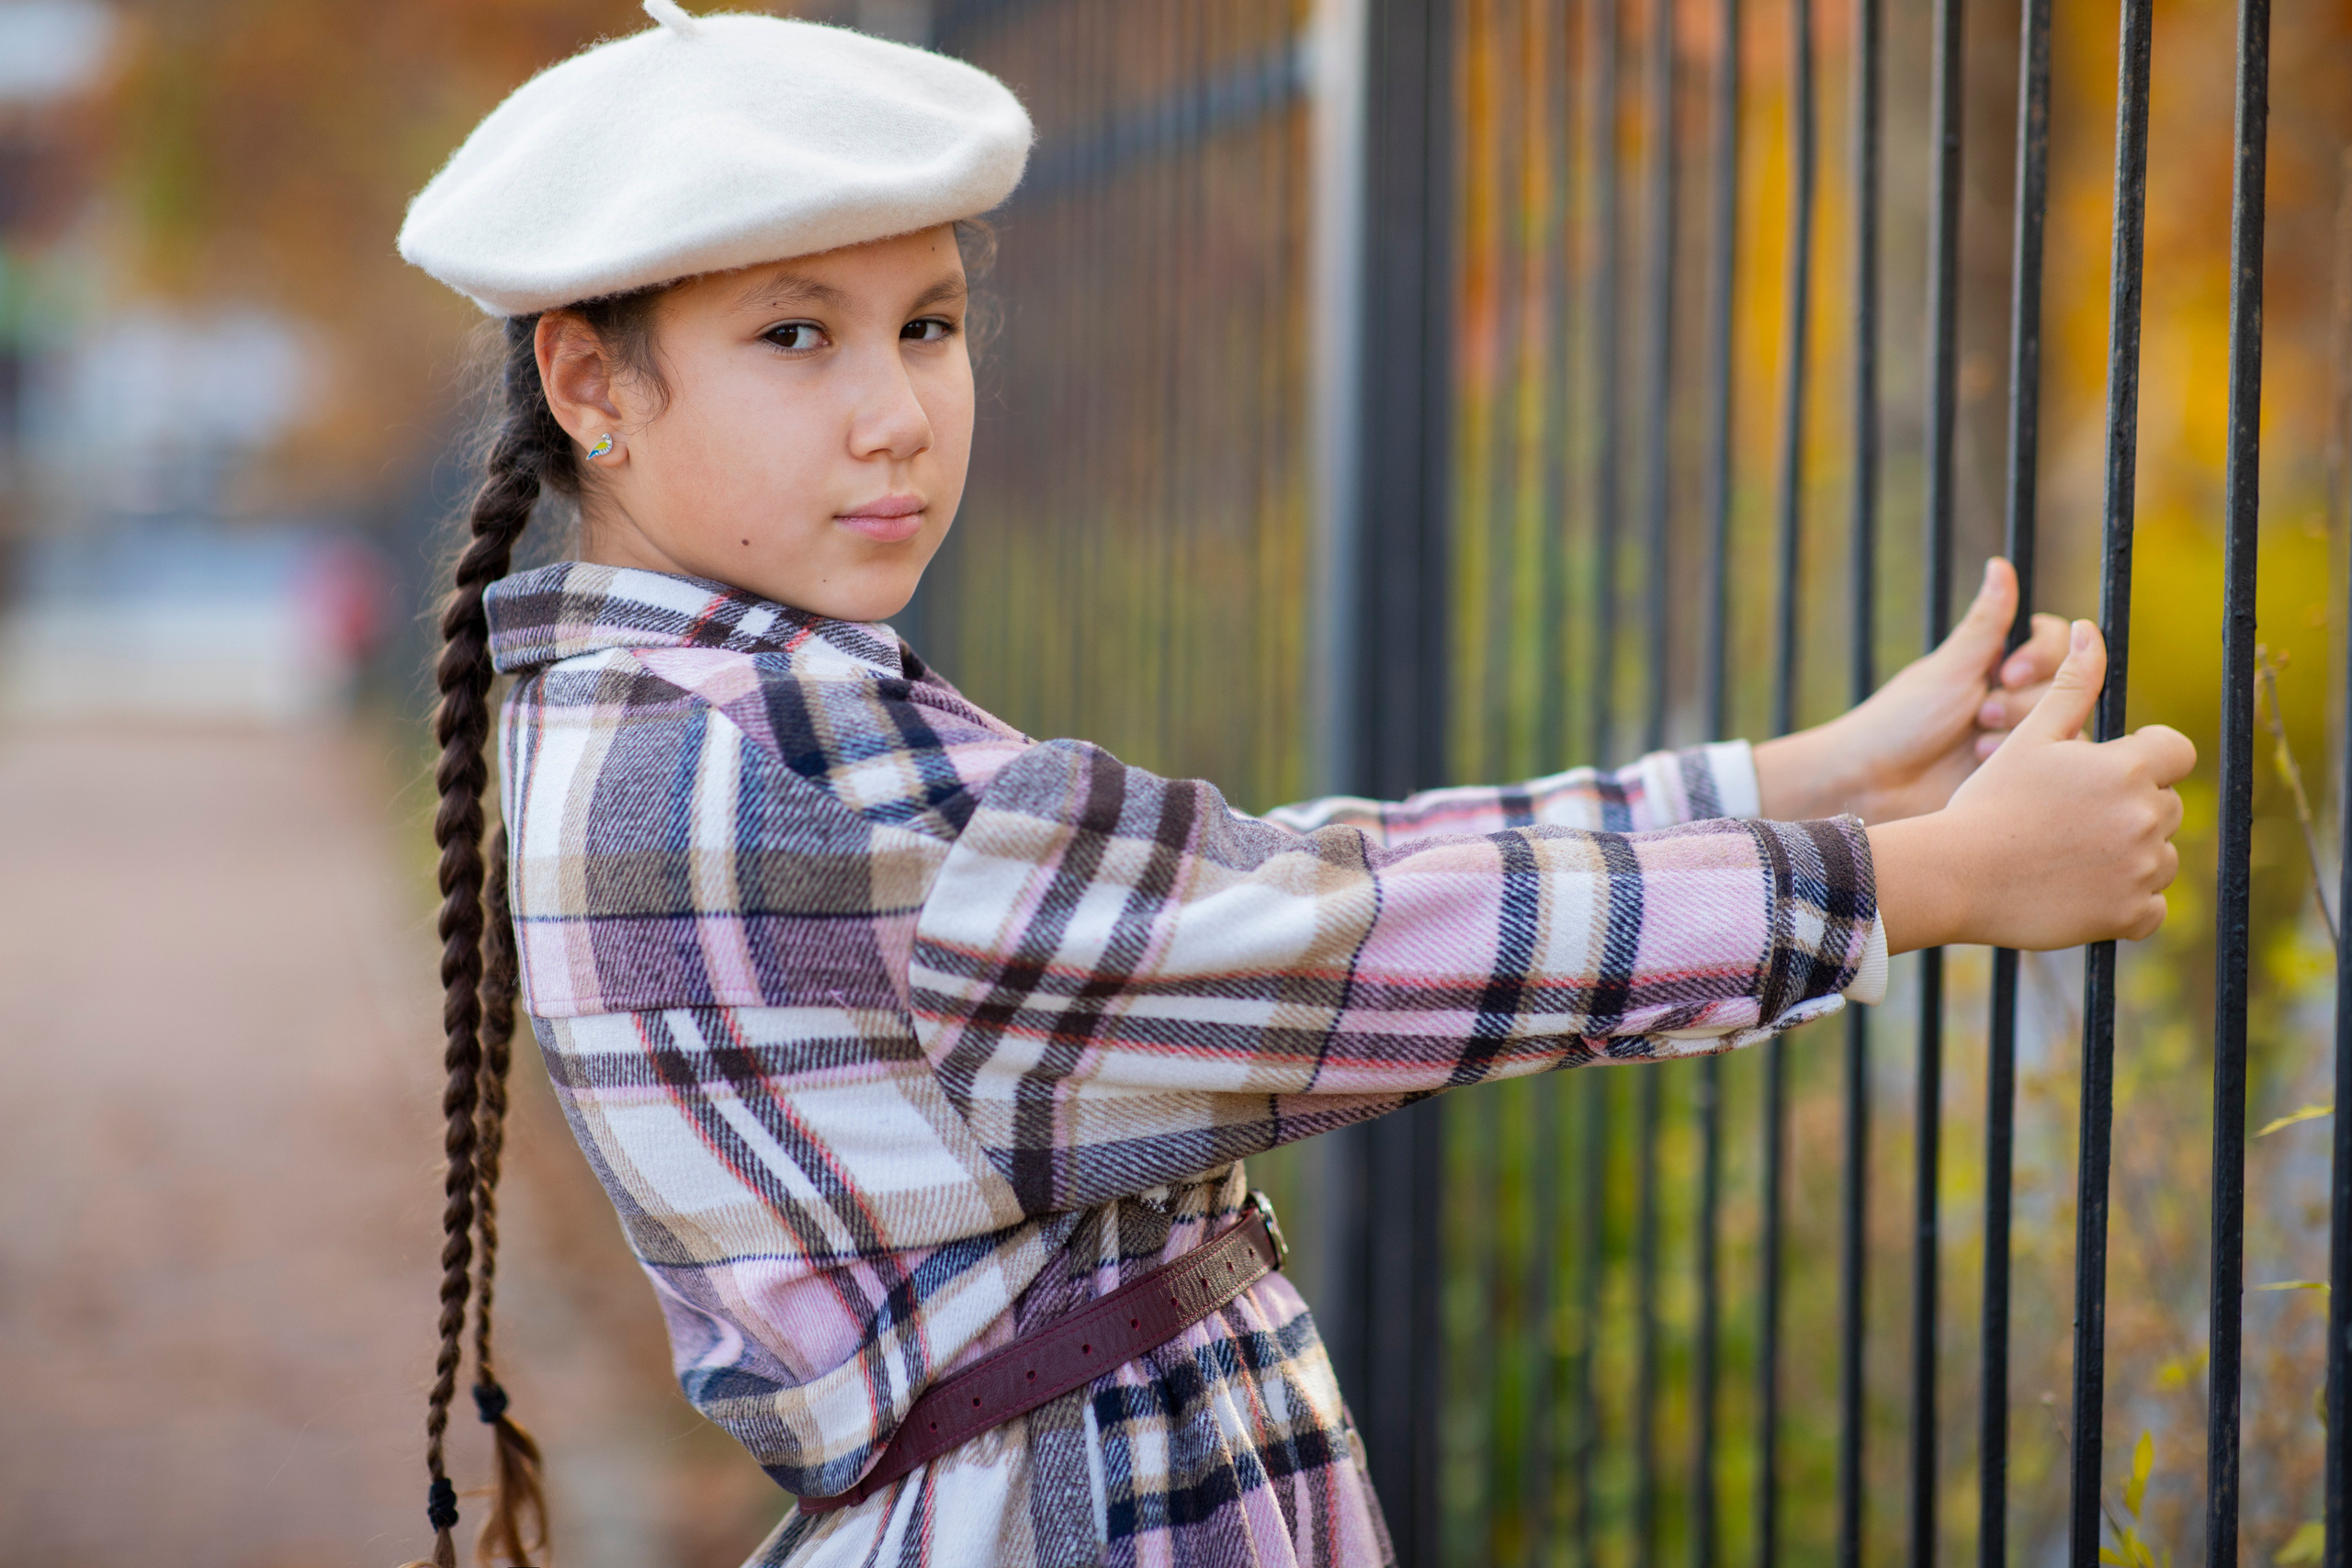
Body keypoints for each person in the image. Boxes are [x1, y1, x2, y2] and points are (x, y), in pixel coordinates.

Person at [390, 6, 2195, 1565]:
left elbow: (1276, 880)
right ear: (589, 381)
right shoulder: (768, 768)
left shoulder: (693, 706)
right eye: (796, 335)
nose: (896, 412)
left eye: (925, 324)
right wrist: (1913, 883)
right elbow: (1313, 952)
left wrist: (1806, 781)